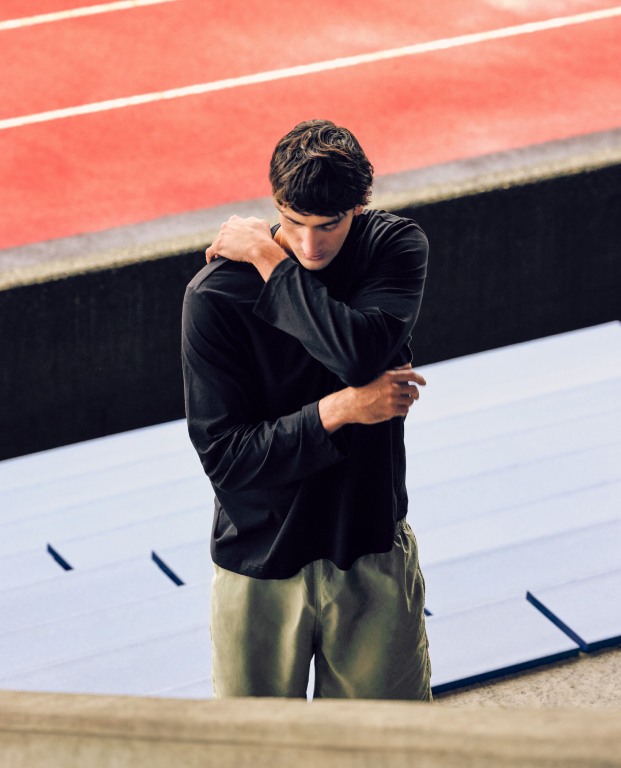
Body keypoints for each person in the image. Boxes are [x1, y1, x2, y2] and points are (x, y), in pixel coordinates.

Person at [182, 119, 431, 700]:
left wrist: (274, 262)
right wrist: (340, 411)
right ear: (274, 201)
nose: (311, 245)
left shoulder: (393, 248)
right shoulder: (214, 296)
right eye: (293, 224)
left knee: (387, 751)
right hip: (259, 565)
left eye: (330, 225)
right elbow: (228, 459)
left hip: (367, 545)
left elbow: (356, 353)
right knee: (259, 756)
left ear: (361, 207)